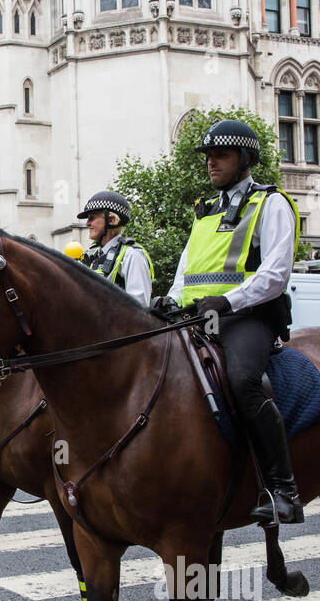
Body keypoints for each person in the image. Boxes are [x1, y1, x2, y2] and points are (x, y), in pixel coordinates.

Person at [151, 118, 303, 525]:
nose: (212, 163)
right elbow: (187, 272)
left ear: (246, 159)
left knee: (242, 380)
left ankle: (282, 489)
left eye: (222, 155)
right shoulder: (204, 212)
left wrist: (228, 300)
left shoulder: (271, 203)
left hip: (248, 318)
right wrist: (170, 298)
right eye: (208, 157)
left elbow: (275, 274)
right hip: (200, 316)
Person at [76, 190, 153, 306]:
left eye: (92, 218)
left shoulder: (131, 255)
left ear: (111, 220)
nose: (87, 223)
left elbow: (139, 307)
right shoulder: (91, 255)